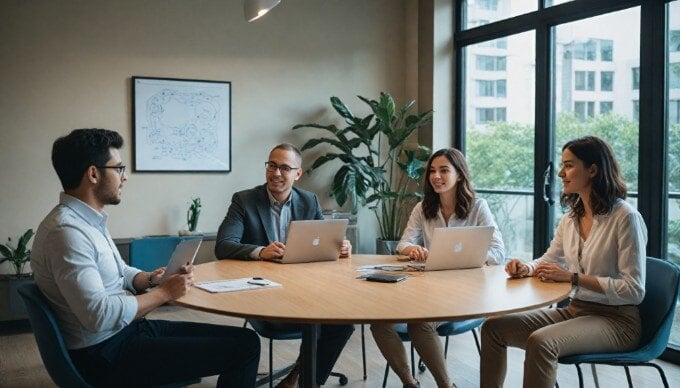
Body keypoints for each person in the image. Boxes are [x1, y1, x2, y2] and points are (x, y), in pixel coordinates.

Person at [31, 128, 260, 388]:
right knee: (245, 347)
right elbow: (98, 316)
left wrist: (150, 278)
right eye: (118, 169)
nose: (124, 177)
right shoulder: (66, 232)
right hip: (105, 355)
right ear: (93, 174)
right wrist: (164, 294)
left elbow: (119, 270)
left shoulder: (86, 221)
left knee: (244, 338)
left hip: (126, 331)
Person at [480, 136, 647, 388]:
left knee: (542, 342)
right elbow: (550, 258)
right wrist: (527, 268)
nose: (560, 173)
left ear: (592, 170)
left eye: (568, 165)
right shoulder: (571, 217)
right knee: (493, 328)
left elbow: (634, 291)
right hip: (575, 311)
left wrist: (573, 278)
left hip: (618, 322)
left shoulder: (626, 218)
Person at [215, 143, 354, 388]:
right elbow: (223, 245)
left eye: (284, 168)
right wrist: (260, 252)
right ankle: (299, 378)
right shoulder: (244, 200)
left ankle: (301, 381)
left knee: (342, 323)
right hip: (263, 293)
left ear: (297, 174)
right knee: (319, 319)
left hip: (305, 291)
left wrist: (340, 247)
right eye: (272, 165)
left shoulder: (309, 201)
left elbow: (322, 241)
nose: (276, 173)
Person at [371, 147, 505, 388]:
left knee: (420, 324)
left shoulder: (478, 207)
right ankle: (409, 382)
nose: (436, 176)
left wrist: (464, 256)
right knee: (379, 323)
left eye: (444, 170)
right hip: (428, 293)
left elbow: (498, 252)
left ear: (460, 175)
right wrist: (412, 250)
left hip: (466, 294)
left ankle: (446, 385)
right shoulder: (423, 208)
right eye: (432, 171)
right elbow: (404, 243)